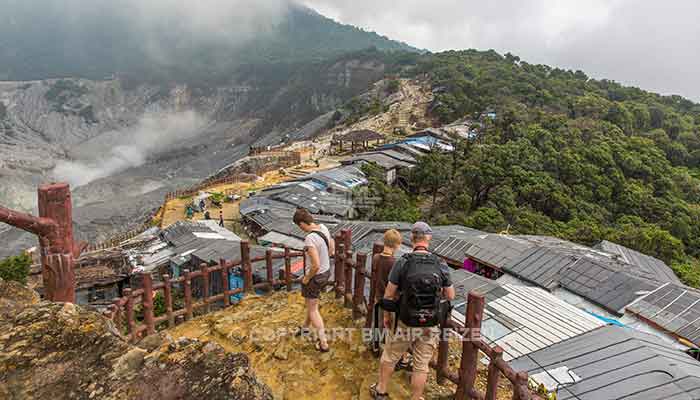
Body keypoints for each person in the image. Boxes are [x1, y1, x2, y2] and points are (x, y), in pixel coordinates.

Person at [371, 222, 455, 400]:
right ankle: (416, 398)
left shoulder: (403, 262)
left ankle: (381, 390)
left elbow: (388, 294)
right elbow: (450, 295)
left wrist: (387, 317)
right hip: (430, 322)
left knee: (391, 355)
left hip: (405, 320)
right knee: (421, 365)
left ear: (412, 238)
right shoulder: (440, 263)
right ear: (429, 238)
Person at [293, 208, 334, 352]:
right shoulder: (323, 228)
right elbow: (332, 247)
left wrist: (306, 278)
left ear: (302, 223)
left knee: (313, 310)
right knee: (311, 305)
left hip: (315, 277)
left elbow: (315, 265)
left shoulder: (310, 238)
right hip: (326, 272)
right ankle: (305, 328)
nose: (301, 229)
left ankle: (323, 343)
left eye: (299, 226)